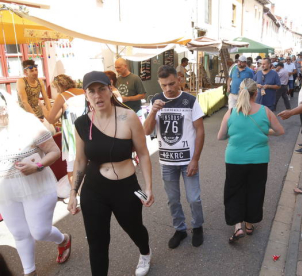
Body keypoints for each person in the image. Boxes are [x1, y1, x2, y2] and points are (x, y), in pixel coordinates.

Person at [67, 71, 154, 276]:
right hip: (94, 190)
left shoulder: (128, 117)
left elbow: (143, 153)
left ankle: (145, 252)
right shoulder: (81, 123)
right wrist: (73, 192)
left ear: (110, 89)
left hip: (125, 187)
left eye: (102, 90)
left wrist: (149, 187)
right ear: (86, 95)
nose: (97, 96)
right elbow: (80, 160)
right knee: (97, 242)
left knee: (134, 229)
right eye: (92, 91)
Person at [0, 90, 71, 276]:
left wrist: (37, 166)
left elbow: (54, 152)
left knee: (39, 231)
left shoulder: (28, 123)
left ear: (5, 106)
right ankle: (29, 272)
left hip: (37, 186)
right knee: (20, 233)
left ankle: (63, 240)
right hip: (6, 191)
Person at [143, 65, 205, 249]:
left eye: (171, 83)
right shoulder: (156, 100)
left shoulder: (190, 101)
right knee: (173, 199)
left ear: (179, 79)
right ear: (159, 84)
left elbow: (200, 131)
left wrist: (195, 159)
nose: (168, 89)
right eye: (164, 85)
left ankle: (198, 226)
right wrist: (153, 111)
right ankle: (180, 229)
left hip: (188, 160)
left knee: (194, 198)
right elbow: (146, 131)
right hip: (167, 161)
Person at [217, 78, 284, 243]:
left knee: (234, 191)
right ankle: (249, 224)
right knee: (255, 191)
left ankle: (237, 226)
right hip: (259, 160)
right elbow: (280, 131)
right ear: (256, 93)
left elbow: (221, 136)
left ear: (241, 92)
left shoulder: (231, 112)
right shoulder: (265, 111)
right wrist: (264, 132)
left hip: (234, 159)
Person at [43, 74, 85, 184]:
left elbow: (51, 119)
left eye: (56, 88)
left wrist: (41, 106)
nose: (56, 91)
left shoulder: (63, 96)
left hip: (72, 136)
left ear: (59, 86)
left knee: (71, 168)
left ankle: (75, 195)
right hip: (86, 132)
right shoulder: (84, 92)